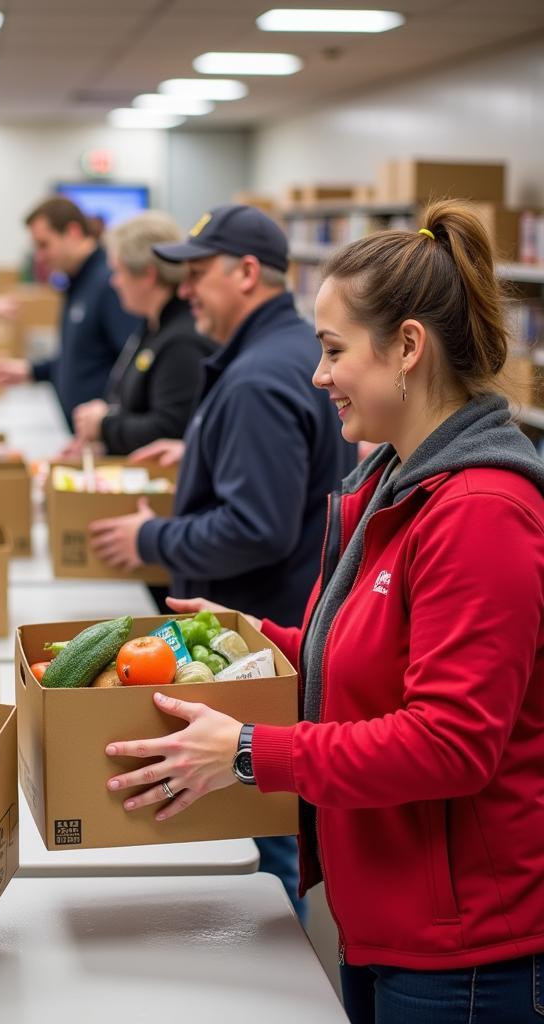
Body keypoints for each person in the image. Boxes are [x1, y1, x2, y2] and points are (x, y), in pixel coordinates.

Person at [105, 202, 544, 1024]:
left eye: (335, 351)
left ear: (408, 348)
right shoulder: (394, 481)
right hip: (382, 916)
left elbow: (450, 742)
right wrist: (251, 637)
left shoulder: (481, 509)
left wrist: (247, 752)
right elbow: (372, 653)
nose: (318, 376)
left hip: (467, 954)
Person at [89, 204, 356, 918]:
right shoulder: (280, 355)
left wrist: (152, 540)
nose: (185, 290)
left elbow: (255, 526)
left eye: (198, 273)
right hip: (274, 624)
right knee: (265, 839)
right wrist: (199, 455)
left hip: (256, 637)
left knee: (263, 852)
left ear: (245, 273)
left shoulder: (255, 381)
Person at [62, 210, 217, 458]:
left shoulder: (182, 342)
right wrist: (106, 415)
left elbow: (170, 429)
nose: (114, 282)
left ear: (148, 274)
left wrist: (105, 425)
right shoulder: (154, 326)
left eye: (118, 271)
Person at [0, 197, 139, 429]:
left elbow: (130, 364)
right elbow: (81, 355)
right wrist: (31, 370)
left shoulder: (108, 282)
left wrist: (109, 425)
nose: (39, 257)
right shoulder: (76, 282)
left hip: (104, 439)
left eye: (44, 245)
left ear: (72, 232)